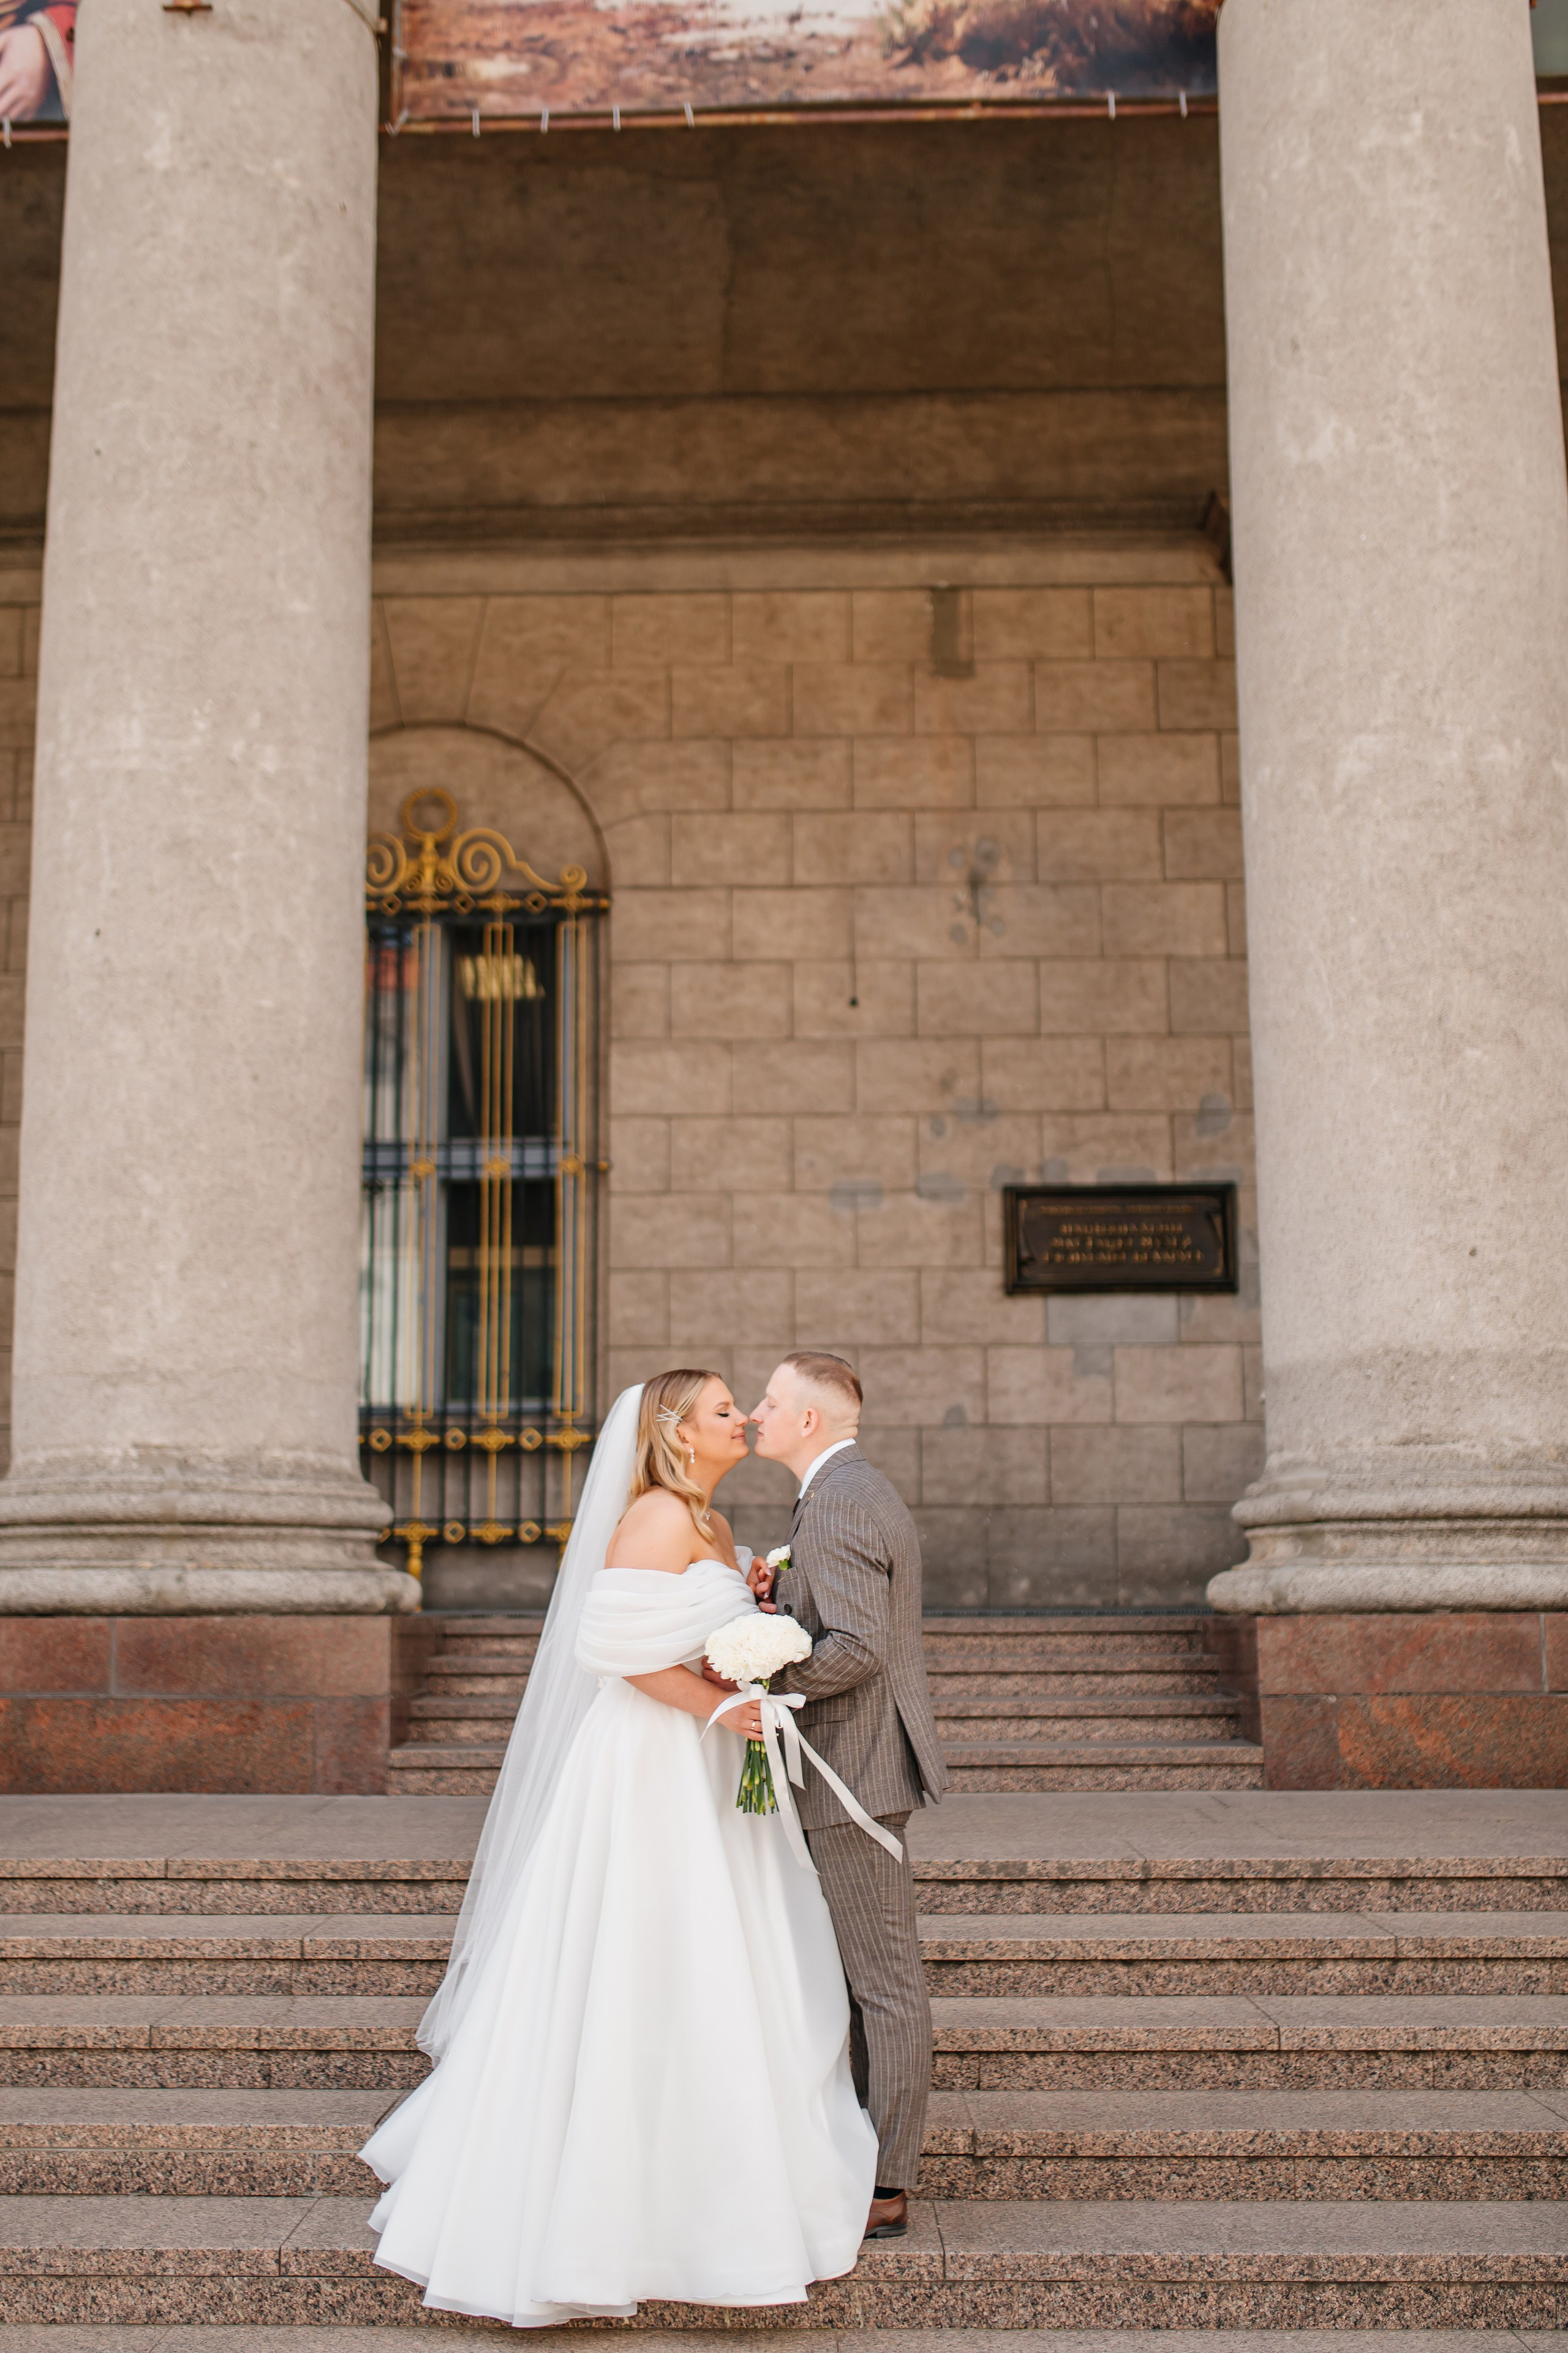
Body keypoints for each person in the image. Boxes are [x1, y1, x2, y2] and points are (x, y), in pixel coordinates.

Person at [360, 1369, 878, 2328]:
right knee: (648, 1954)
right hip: (651, 1770)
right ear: (678, 1433)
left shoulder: (714, 1527)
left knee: (731, 1956)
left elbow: (692, 1633)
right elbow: (618, 1654)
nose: (742, 1420)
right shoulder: (652, 1518)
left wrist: (754, 1610)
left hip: (714, 1775)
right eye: (725, 1410)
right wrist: (728, 1704)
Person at [747, 1351, 949, 2243]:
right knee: (873, 1980)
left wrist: (762, 1673)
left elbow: (856, 1647)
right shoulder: (851, 1490)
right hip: (861, 1762)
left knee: (885, 1984)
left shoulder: (833, 1502)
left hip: (851, 1774)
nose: (756, 1411)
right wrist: (777, 1599)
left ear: (809, 1421)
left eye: (769, 1400)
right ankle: (870, 2157)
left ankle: (886, 2180)